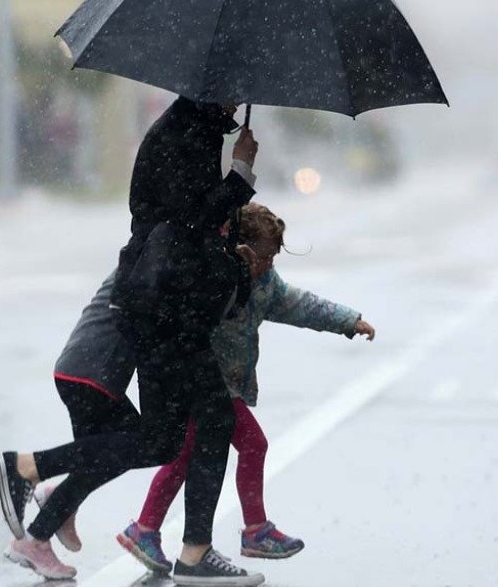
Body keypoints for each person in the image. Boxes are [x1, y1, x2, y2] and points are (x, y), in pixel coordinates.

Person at [0, 97, 264, 586]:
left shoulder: (196, 129)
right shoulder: (185, 133)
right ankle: (194, 554)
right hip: (165, 307)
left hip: (164, 305)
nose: (239, 98)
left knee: (161, 438)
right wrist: (241, 174)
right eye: (234, 89)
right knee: (214, 417)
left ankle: (33, 471)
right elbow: (191, 220)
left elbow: (194, 224)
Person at [118, 202, 376, 567]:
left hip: (222, 386)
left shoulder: (265, 285)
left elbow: (301, 305)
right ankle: (253, 529)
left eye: (274, 257)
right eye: (264, 256)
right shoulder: (217, 273)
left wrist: (349, 321)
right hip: (205, 383)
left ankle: (145, 529)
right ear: (241, 247)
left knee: (185, 455)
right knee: (250, 445)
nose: (269, 265)